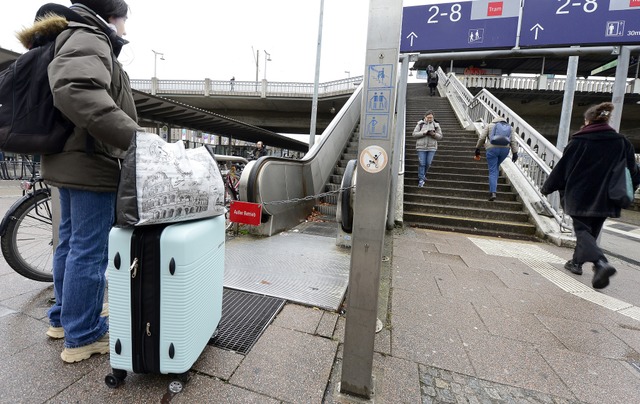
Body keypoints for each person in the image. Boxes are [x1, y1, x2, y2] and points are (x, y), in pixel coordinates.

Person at [24, 0, 140, 363]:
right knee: (89, 251)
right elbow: (76, 90)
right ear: (112, 16)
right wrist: (136, 138)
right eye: (123, 20)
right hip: (90, 162)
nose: (124, 28)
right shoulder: (90, 36)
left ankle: (64, 319)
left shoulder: (68, 35)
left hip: (69, 159)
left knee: (70, 245)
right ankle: (83, 334)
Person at [541, 102, 640, 289]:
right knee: (591, 233)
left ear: (588, 120)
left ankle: (601, 263)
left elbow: (563, 169)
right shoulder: (621, 142)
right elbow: (633, 171)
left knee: (582, 231)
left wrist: (547, 187)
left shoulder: (579, 141)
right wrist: (630, 190)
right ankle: (576, 264)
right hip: (607, 196)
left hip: (580, 194)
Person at [475, 117, 518, 201]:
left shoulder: (489, 125)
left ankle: (493, 192)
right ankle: (493, 190)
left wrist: (477, 148)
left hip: (492, 149)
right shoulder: (510, 127)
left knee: (492, 170)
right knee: (496, 168)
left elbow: (482, 138)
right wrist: (515, 153)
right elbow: (513, 141)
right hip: (505, 151)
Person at [412, 110, 443, 187]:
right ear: (425, 117)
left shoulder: (436, 125)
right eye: (428, 117)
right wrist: (423, 133)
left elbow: (440, 136)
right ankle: (421, 179)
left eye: (431, 117)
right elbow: (414, 134)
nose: (430, 119)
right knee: (422, 163)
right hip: (421, 147)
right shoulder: (420, 124)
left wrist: (434, 134)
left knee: (428, 163)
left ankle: (422, 175)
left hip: (432, 147)